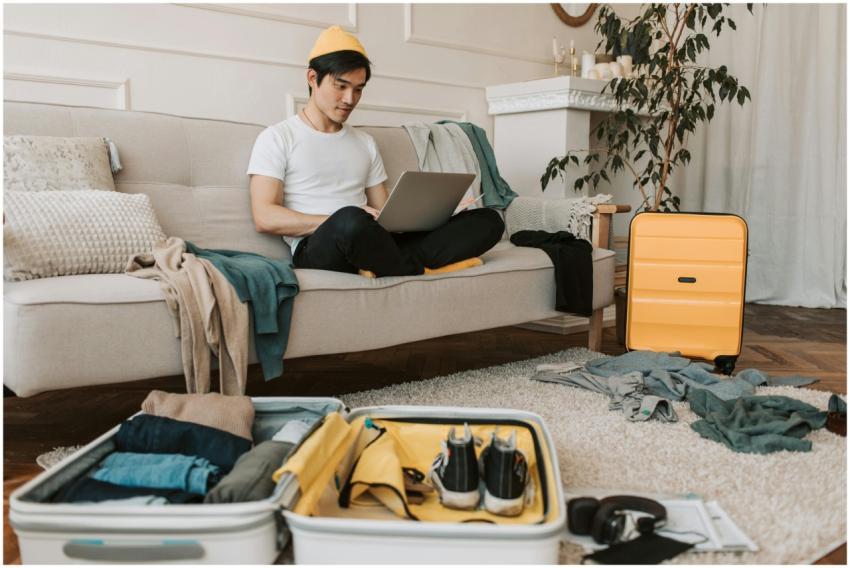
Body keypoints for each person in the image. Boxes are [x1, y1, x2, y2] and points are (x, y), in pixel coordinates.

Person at [247, 26, 504, 277]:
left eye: (358, 89)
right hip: (320, 245)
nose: (350, 99)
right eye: (341, 86)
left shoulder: (364, 142)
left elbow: (385, 212)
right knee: (350, 220)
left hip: (372, 239)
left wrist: (439, 213)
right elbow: (265, 217)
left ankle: (389, 265)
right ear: (313, 78)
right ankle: (416, 267)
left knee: (488, 221)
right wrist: (341, 218)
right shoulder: (277, 137)